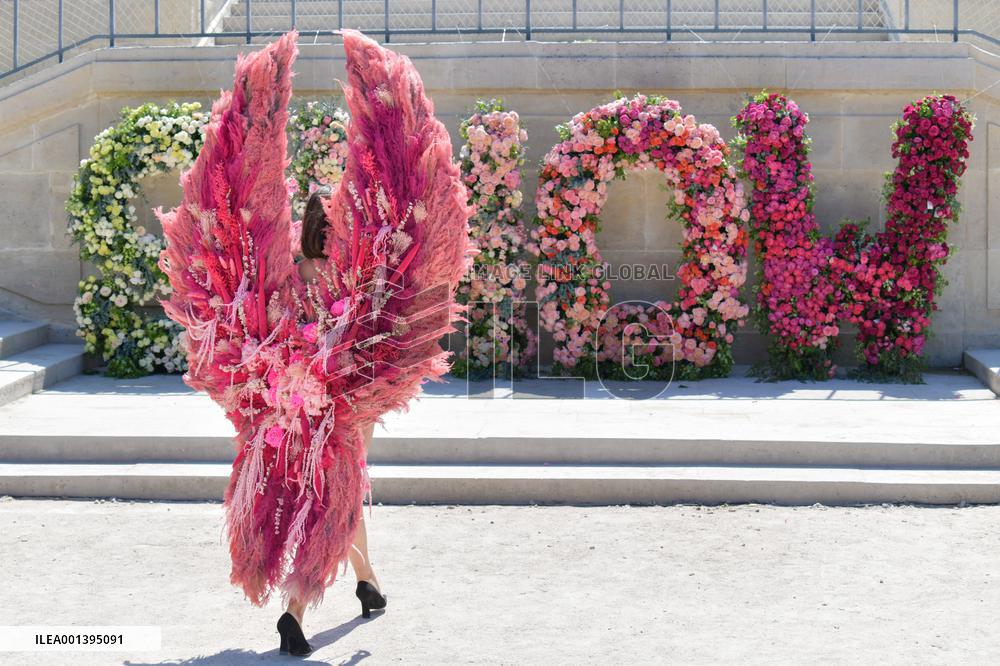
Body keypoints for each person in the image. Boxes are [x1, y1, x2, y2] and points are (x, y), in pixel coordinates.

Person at [158, 29, 472, 660]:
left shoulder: (275, 283)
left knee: (338, 491)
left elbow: (239, 301)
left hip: (278, 406)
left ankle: (367, 582)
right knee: (340, 490)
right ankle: (298, 606)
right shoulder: (354, 284)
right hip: (337, 401)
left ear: (300, 237)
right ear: (342, 235)